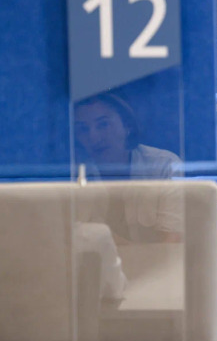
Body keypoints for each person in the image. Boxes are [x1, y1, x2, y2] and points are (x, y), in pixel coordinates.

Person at [74, 92, 183, 243]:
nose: (94, 137)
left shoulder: (164, 165)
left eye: (103, 124)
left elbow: (171, 243)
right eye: (83, 129)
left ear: (127, 126)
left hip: (157, 259)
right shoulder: (74, 174)